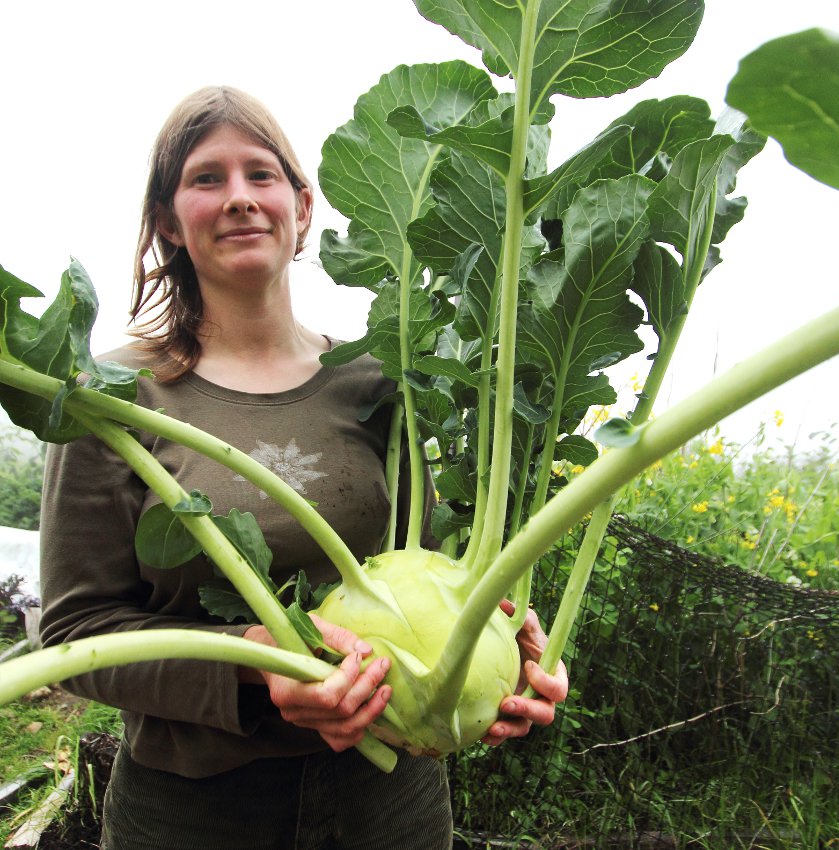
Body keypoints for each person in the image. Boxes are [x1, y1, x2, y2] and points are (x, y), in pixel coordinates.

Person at [38, 86, 569, 850]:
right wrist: (257, 660)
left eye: (262, 175)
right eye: (206, 178)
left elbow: (433, 573)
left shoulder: (386, 382)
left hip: (390, 804)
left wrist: (510, 647)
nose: (240, 199)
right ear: (167, 221)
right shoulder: (110, 399)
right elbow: (75, 635)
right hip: (197, 811)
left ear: (303, 206)